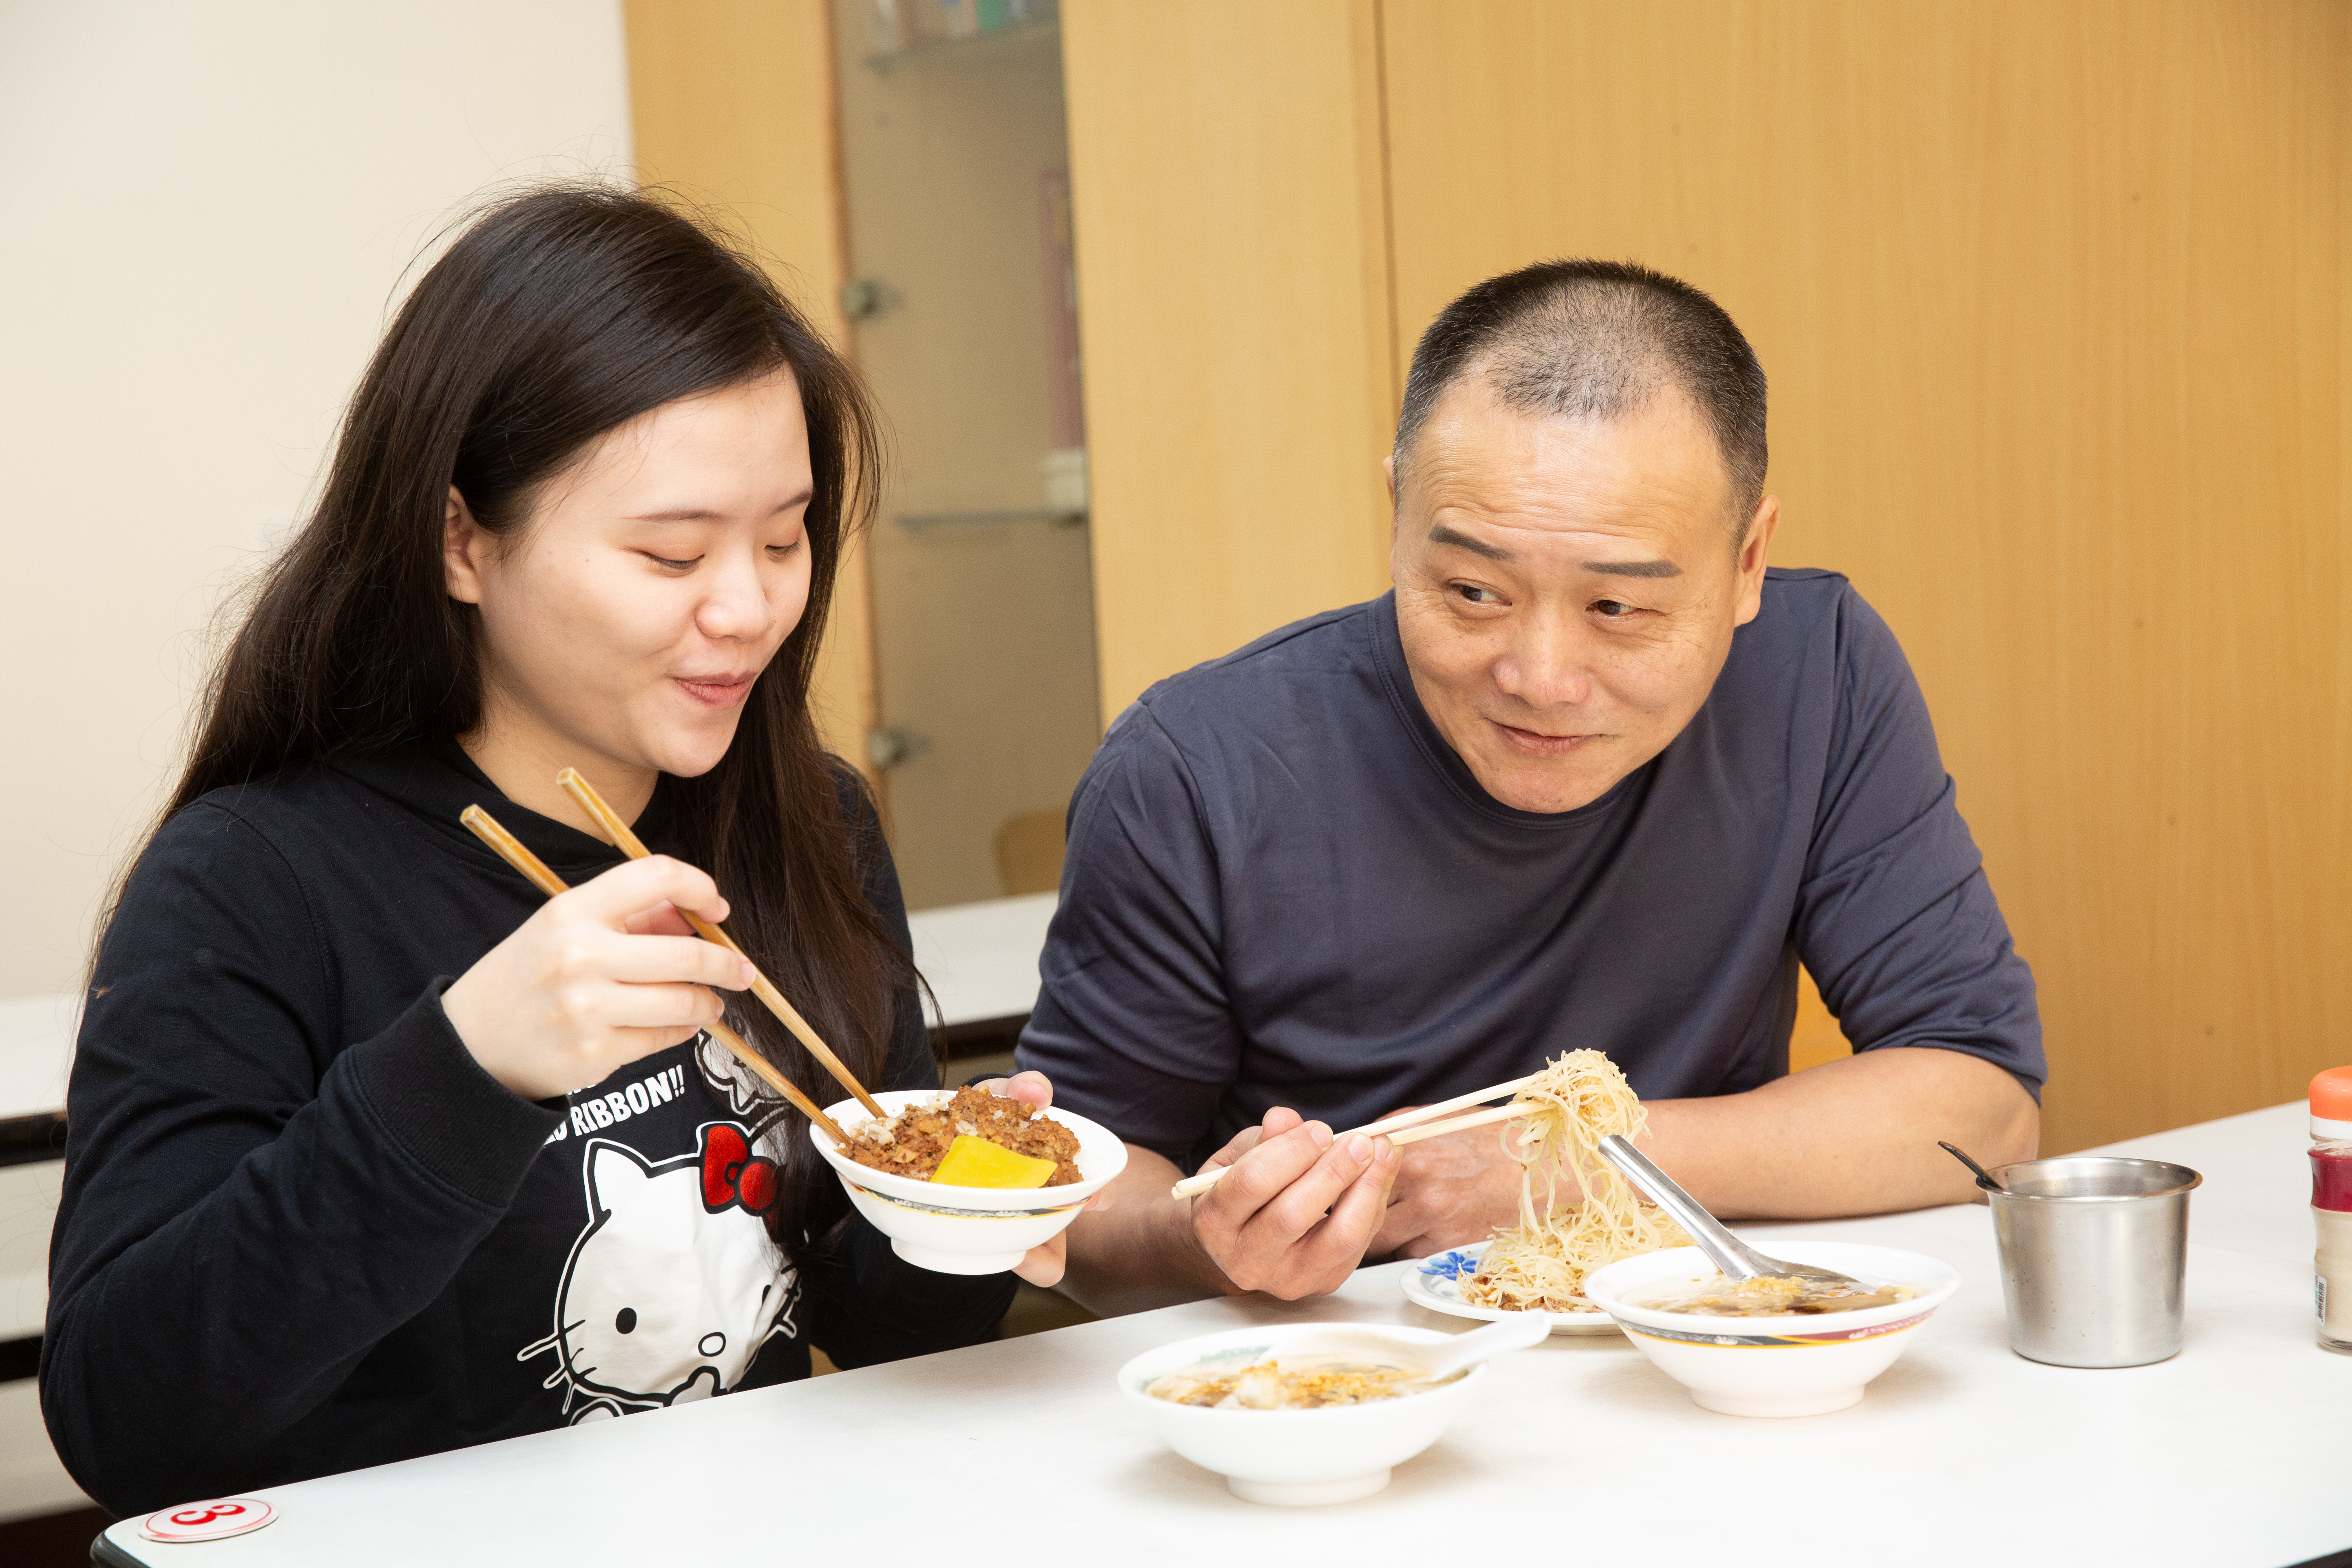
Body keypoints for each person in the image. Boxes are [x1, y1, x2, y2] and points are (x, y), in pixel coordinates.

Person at [43, 185, 1084, 1515]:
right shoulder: (252, 882)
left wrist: (969, 1226)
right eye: (670, 554)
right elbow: (125, 1422)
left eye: (785, 537)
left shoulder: (805, 821)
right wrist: (466, 1065)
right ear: (461, 539)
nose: (751, 606)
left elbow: (882, 1337)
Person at [1021, 260, 2043, 1313]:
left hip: (1695, 1350)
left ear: (1747, 562)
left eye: (1618, 609)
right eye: (1472, 592)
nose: (1540, 682)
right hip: (1356, 1375)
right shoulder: (1199, 765)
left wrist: (1571, 1159)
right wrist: (1208, 1245)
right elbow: (1081, 1194)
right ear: (1397, 516)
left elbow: (1981, 1106)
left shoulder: (1815, 670)